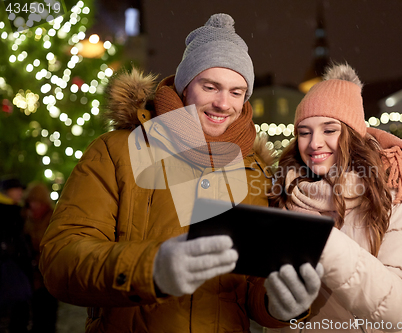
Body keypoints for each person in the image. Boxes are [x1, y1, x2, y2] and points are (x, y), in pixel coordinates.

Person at [39, 13, 321, 333]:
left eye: (236, 91)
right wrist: (153, 268)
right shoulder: (115, 152)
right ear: (186, 85)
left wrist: (281, 306)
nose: (222, 103)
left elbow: (251, 284)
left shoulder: (254, 172)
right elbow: (60, 261)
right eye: (210, 86)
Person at [268, 63, 402, 332]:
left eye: (329, 130)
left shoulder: (397, 192)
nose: (314, 143)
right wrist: (277, 310)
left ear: (351, 134)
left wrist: (324, 241)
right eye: (304, 132)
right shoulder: (284, 192)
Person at [22, 183, 58, 333]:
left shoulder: (54, 218)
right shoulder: (26, 219)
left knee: (48, 315)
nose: (33, 206)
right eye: (31, 202)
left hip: (48, 273)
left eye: (37, 202)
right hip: (32, 275)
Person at [0, 177, 32, 333]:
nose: (21, 192)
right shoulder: (8, 211)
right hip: (10, 265)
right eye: (17, 189)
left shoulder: (15, 209)